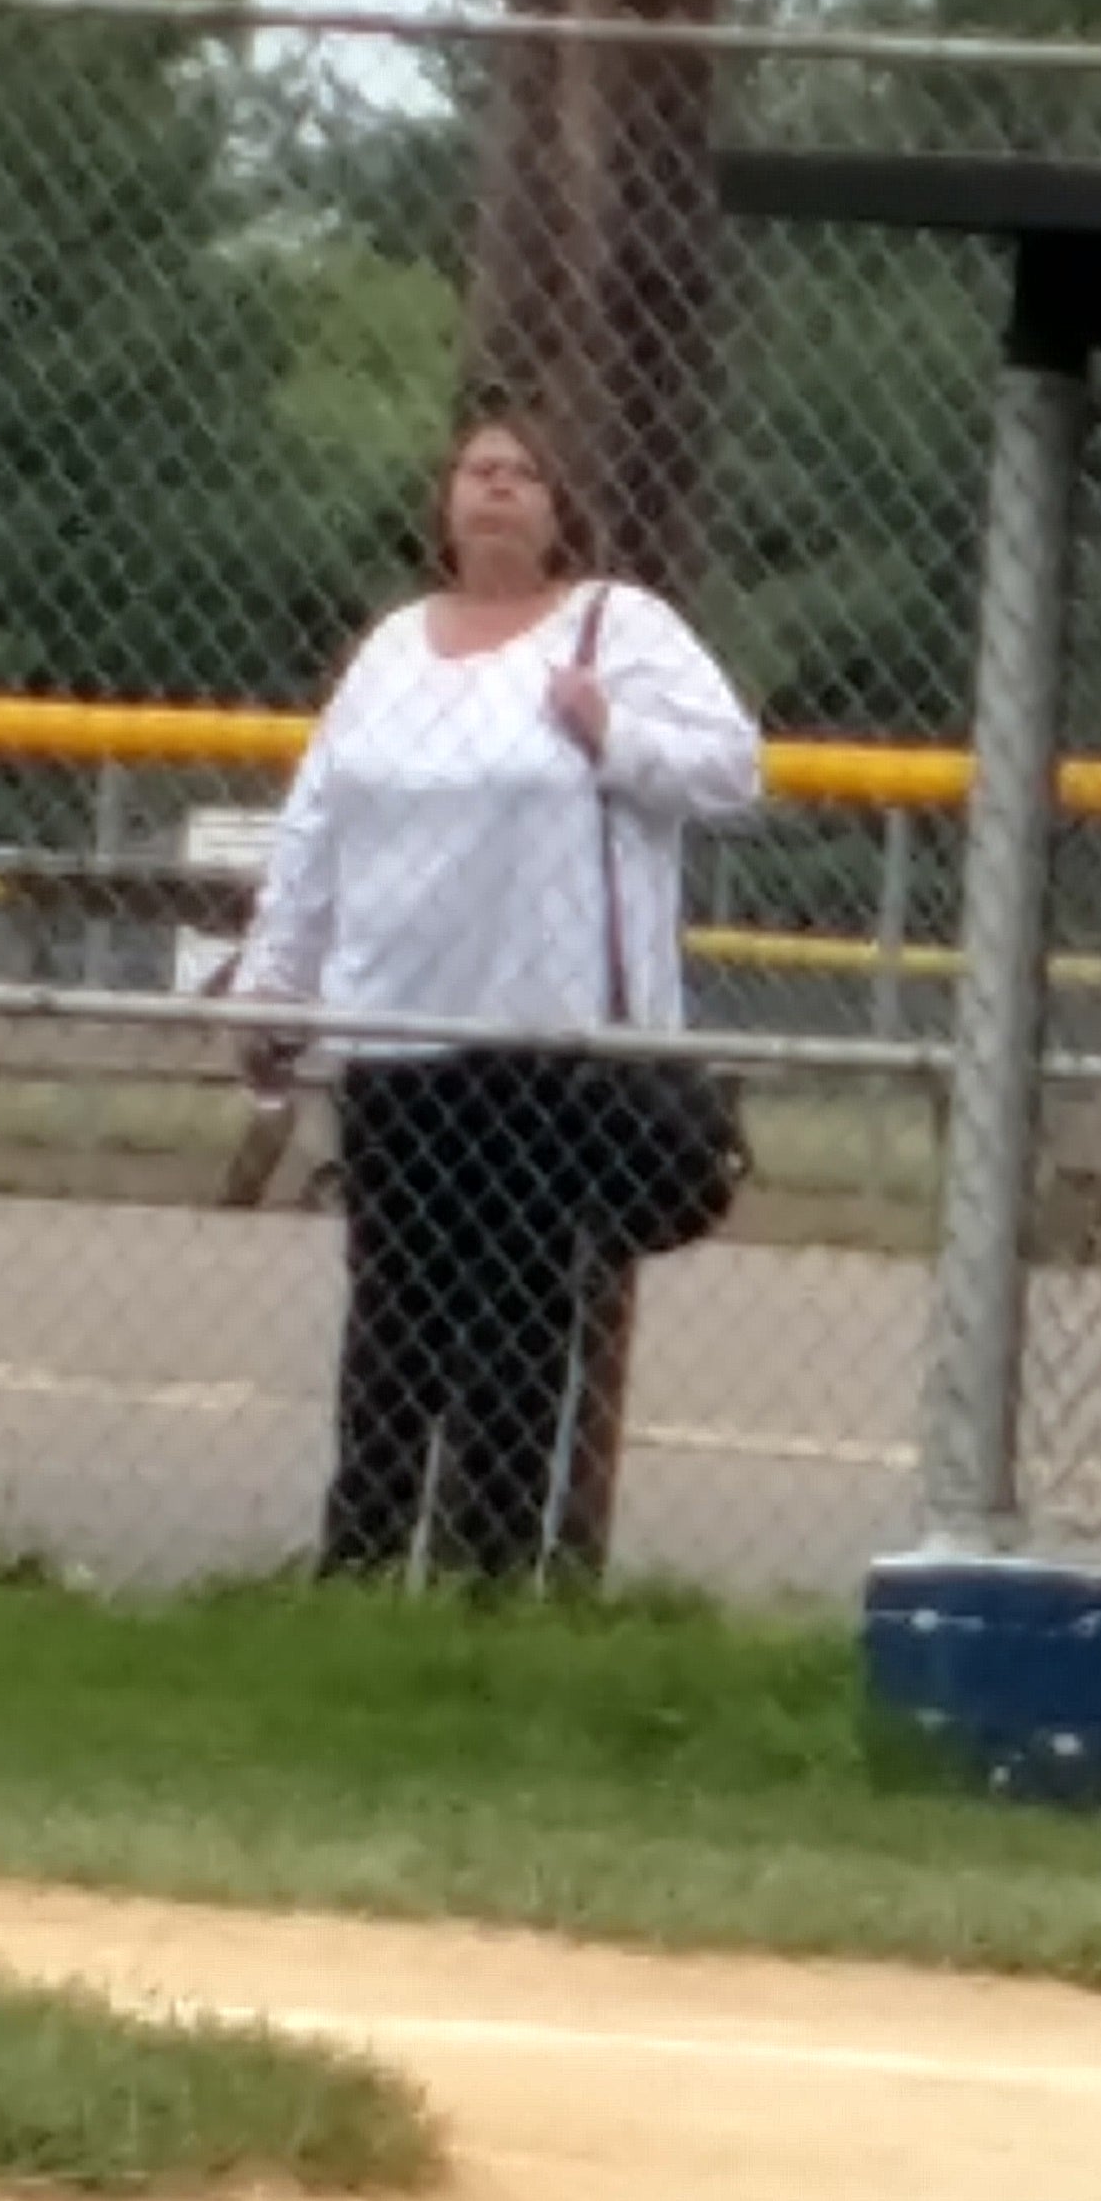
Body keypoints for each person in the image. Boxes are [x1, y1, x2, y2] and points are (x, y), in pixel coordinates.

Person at [233, 409, 764, 1584]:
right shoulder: (389, 650)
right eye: (478, 470)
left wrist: (612, 730)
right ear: (444, 500)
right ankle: (358, 1571)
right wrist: (278, 980)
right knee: (393, 1324)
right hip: (395, 1036)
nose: (498, 489)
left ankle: (491, 1582)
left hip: (542, 1040)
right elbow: (319, 819)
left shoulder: (614, 627)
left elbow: (734, 767)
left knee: (520, 1325)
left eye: (525, 473)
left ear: (561, 505)